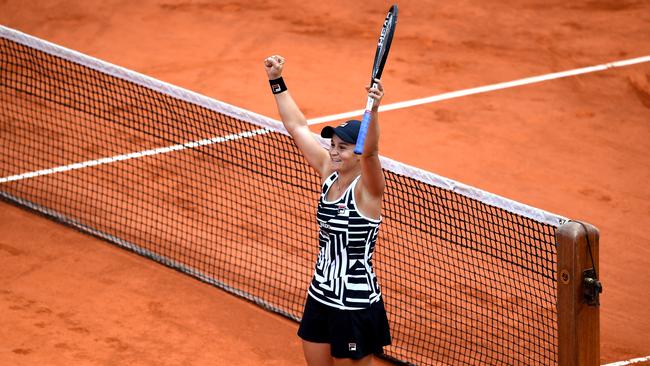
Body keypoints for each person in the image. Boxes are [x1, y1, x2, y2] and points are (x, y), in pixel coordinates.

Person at [264, 55, 391, 366]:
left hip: (354, 302)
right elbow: (296, 126)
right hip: (321, 292)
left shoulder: (368, 190)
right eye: (332, 144)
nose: (333, 151)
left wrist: (373, 108)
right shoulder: (327, 169)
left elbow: (372, 150)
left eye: (342, 147)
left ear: (358, 154)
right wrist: (276, 80)